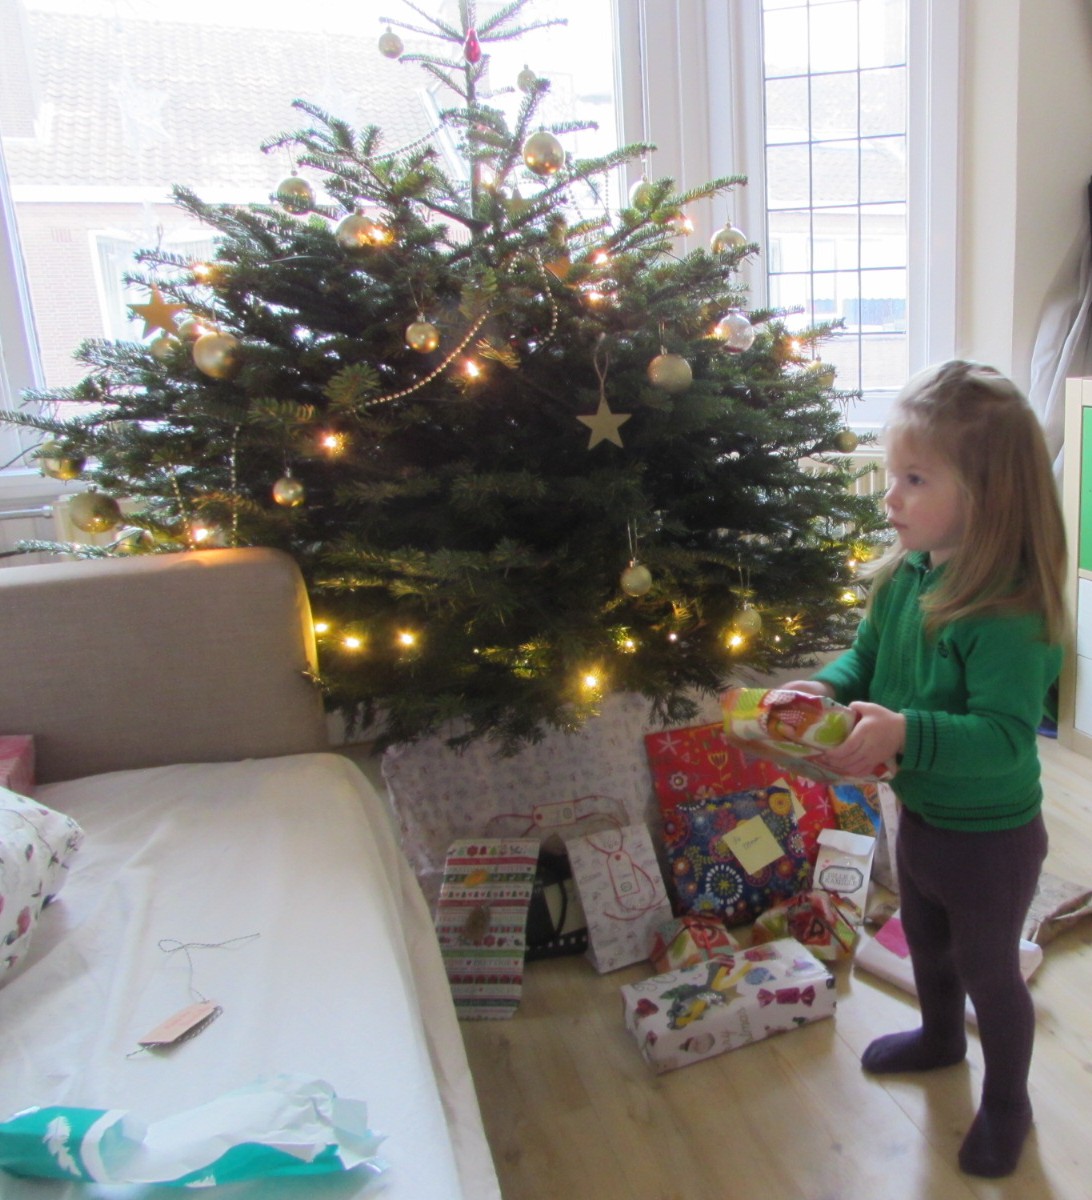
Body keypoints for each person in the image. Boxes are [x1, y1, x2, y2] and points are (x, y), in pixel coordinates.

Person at [785, 360, 1068, 1179]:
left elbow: (1004, 737)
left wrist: (904, 733)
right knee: (927, 946)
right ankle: (941, 1039)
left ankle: (1007, 1102)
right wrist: (823, 690)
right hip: (921, 817)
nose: (890, 497)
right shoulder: (905, 576)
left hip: (992, 839)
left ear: (985, 494)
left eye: (914, 479)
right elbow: (864, 661)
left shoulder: (1010, 611)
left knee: (989, 972)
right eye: (893, 474)